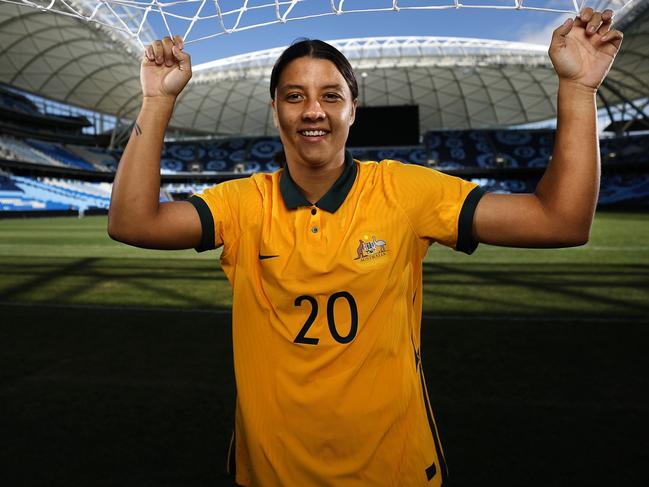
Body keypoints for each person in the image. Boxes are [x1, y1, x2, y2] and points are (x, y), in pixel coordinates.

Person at [108, 8, 622, 486]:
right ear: (274, 110)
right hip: (269, 474)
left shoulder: (405, 192)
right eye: (294, 96)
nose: (314, 111)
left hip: (393, 471)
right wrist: (158, 101)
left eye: (331, 95)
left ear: (354, 110)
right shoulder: (242, 204)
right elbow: (133, 222)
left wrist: (577, 88)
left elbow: (561, 222)